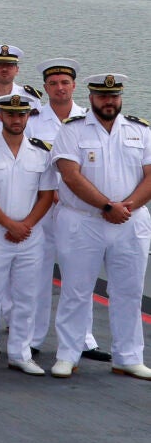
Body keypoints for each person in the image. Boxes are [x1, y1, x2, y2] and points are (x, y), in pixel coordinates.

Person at [49, 73, 151, 380]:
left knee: (129, 291)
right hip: (84, 221)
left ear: (120, 98)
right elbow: (70, 175)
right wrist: (107, 206)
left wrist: (126, 206)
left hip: (130, 221)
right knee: (76, 291)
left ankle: (128, 356)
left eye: (114, 96)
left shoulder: (140, 130)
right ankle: (68, 354)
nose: (109, 101)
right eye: (103, 96)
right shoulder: (72, 130)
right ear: (92, 98)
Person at [0, 94, 56, 375]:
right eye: (10, 114)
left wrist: (26, 225)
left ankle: (20, 352)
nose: (16, 119)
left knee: (27, 296)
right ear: (0, 117)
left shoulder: (41, 152)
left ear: (28, 117)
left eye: (21, 115)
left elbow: (47, 195)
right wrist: (9, 224)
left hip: (31, 235)